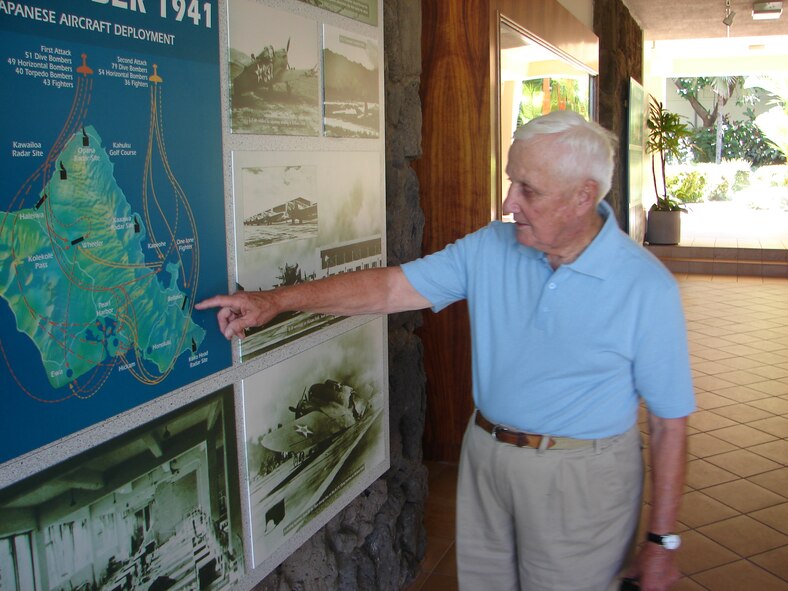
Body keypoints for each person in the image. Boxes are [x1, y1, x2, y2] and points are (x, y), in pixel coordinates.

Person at [197, 110, 694, 591]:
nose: (507, 203)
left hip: (582, 478)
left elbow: (670, 422)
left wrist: (662, 540)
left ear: (584, 196)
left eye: (528, 190)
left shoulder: (645, 286)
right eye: (511, 181)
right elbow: (390, 289)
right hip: (485, 458)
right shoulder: (490, 247)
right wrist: (276, 301)